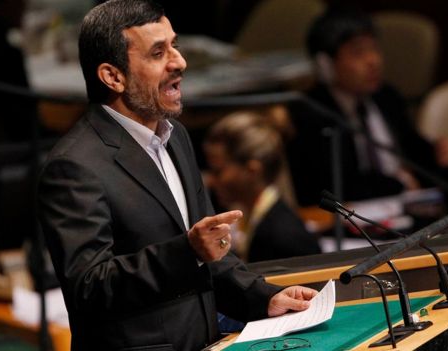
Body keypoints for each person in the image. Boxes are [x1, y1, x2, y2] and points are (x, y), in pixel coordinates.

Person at [36, 1, 317, 350]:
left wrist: (262, 298)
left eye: (175, 45)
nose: (179, 62)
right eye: (158, 53)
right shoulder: (75, 166)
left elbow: (212, 250)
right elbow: (89, 288)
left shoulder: (176, 136)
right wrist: (187, 252)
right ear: (113, 76)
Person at [287, 9, 448, 206]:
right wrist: (398, 184)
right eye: (358, 53)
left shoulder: (386, 96)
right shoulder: (311, 114)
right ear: (325, 65)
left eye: (374, 49)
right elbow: (337, 185)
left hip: (404, 207)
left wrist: (436, 153)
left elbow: (412, 149)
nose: (373, 61)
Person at [204, 111, 322, 262]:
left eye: (218, 171)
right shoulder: (253, 220)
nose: (210, 181)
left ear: (252, 171)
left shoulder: (282, 237)